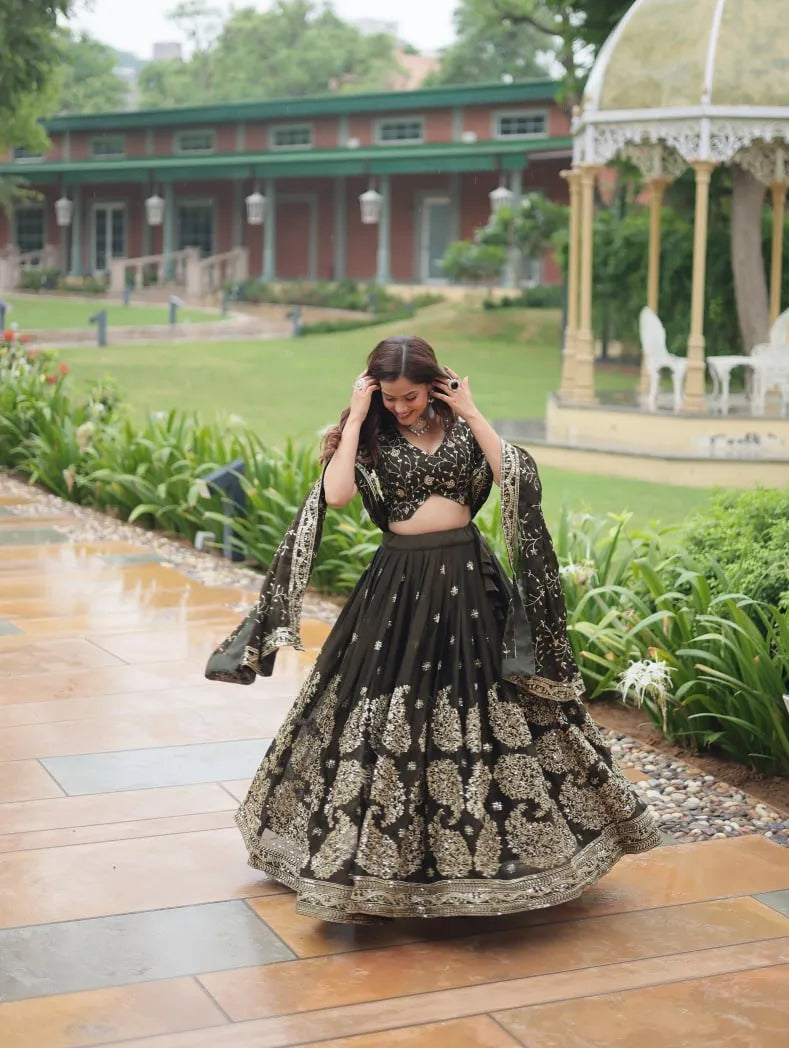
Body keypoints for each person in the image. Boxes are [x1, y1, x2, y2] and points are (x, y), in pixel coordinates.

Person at [207, 335, 659, 923]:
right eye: (390, 397)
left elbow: (518, 478)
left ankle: (512, 857)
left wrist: (471, 410)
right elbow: (338, 495)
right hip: (399, 588)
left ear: (434, 384)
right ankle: (380, 865)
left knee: (496, 706)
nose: (402, 407)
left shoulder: (462, 425)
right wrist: (359, 413)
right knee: (388, 714)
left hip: (471, 583)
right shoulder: (368, 433)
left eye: (411, 396)